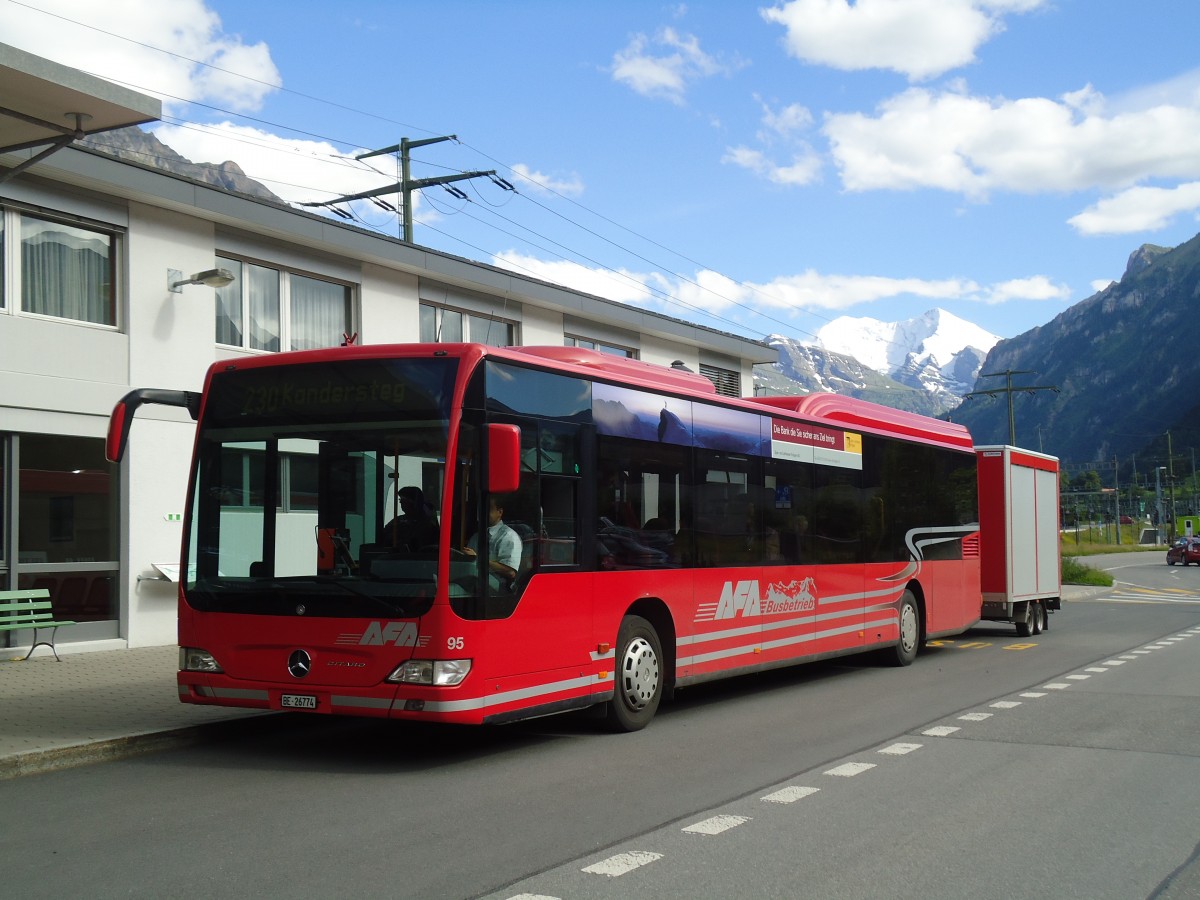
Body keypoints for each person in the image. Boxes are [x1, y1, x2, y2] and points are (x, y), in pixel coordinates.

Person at [463, 495, 523, 590]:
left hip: (497, 590)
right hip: (474, 584)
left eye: (488, 509)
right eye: (482, 509)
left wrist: (478, 559)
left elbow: (510, 572)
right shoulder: (476, 537)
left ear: (500, 512)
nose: (484, 513)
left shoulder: (509, 536)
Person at [384, 486, 439, 552]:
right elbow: (384, 536)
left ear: (414, 503)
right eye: (400, 500)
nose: (401, 503)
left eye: (403, 500)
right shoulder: (398, 520)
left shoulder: (428, 525)